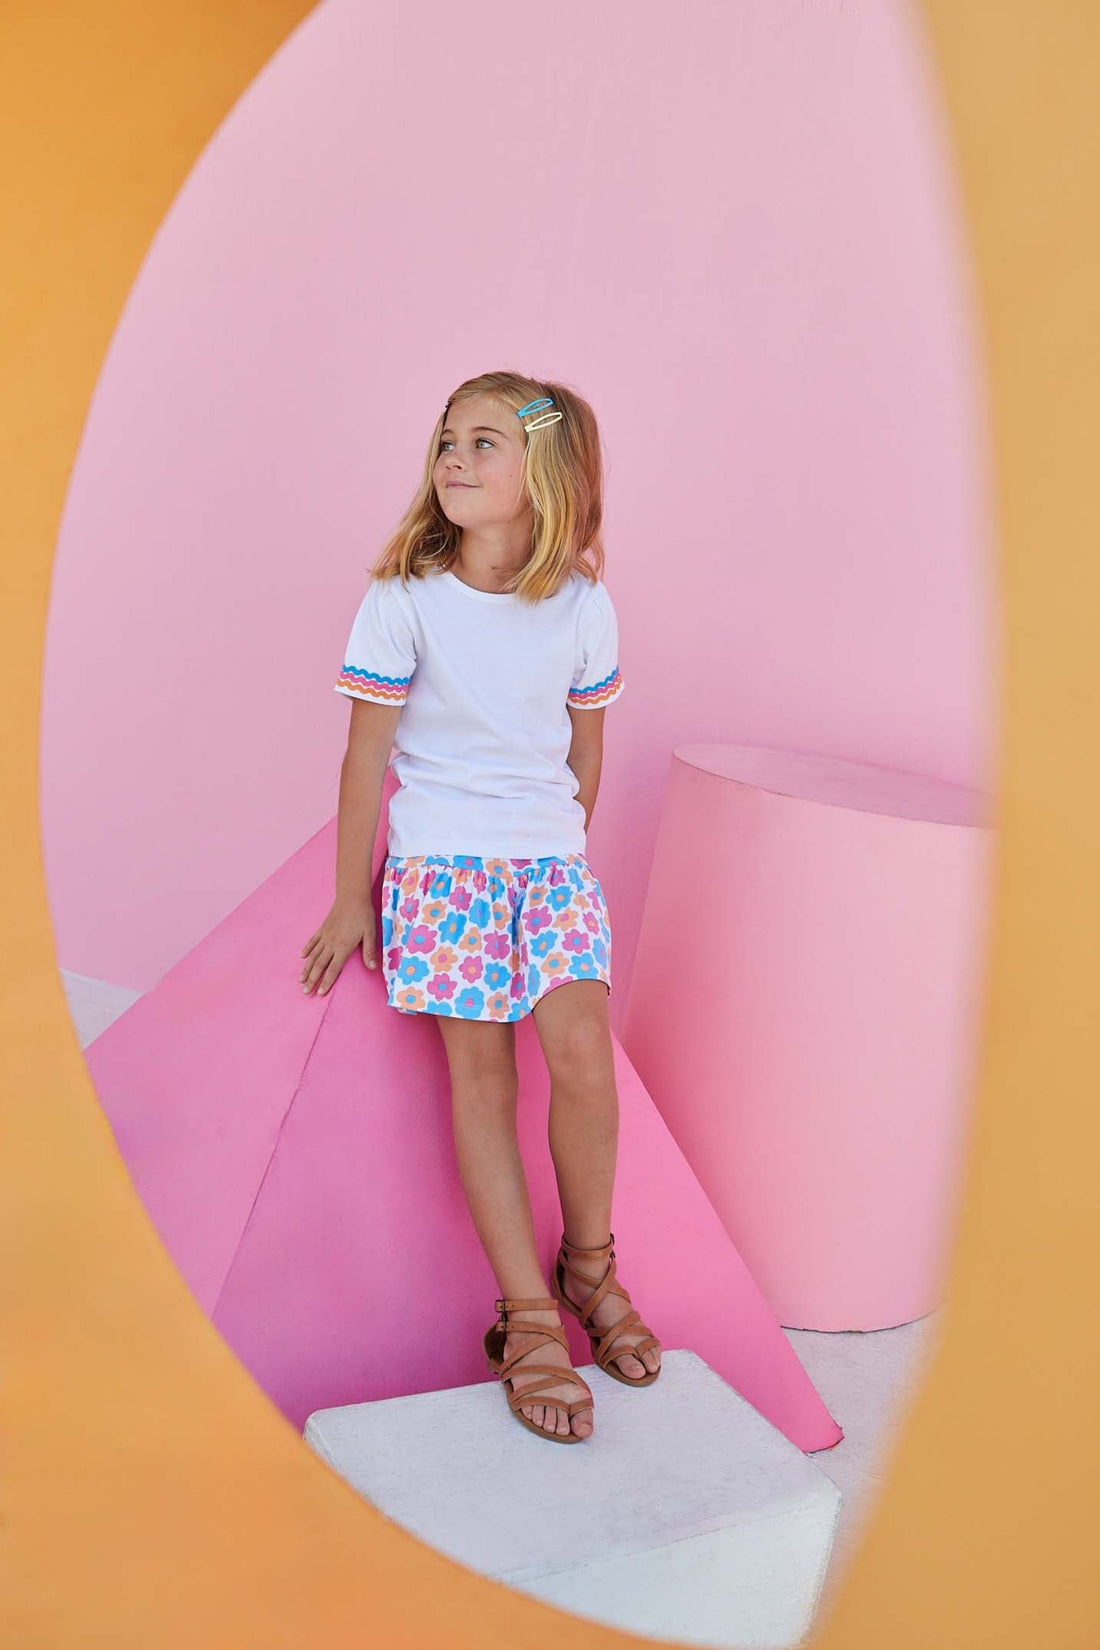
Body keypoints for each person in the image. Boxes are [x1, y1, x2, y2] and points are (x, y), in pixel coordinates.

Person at [300, 370, 661, 1444]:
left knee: (582, 1055)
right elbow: (365, 755)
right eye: (448, 440)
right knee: (484, 1072)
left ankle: (589, 1268)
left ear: (540, 474)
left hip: (545, 868)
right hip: (442, 870)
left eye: (484, 443)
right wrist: (348, 898)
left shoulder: (582, 606)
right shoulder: (404, 598)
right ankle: (527, 1317)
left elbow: (584, 746)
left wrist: (555, 853)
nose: (453, 459)